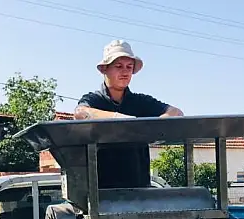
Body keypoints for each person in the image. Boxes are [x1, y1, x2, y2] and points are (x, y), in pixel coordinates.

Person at [74, 40, 183, 189]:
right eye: (118, 66)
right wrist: (120, 119)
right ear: (105, 69)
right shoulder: (94, 100)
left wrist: (155, 126)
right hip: (102, 193)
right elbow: (80, 113)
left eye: (129, 67)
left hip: (139, 191)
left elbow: (176, 113)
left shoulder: (141, 102)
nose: (125, 72)